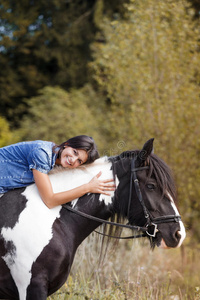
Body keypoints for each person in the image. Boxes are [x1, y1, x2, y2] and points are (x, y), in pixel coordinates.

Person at [0, 135, 115, 208]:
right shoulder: (42, 154)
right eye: (75, 152)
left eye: (79, 161)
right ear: (66, 145)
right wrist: (88, 187)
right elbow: (49, 201)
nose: (73, 160)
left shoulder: (54, 160)